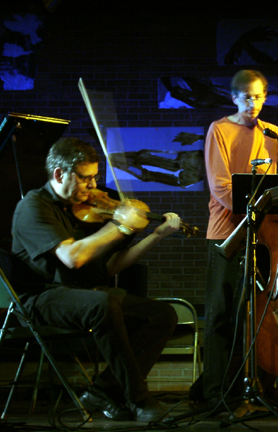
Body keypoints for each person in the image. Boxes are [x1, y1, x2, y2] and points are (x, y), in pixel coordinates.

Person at [10, 137, 181, 422]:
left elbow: (112, 266)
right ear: (59, 174)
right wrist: (120, 225)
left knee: (162, 315)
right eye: (85, 179)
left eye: (95, 177)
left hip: (83, 292)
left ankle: (104, 389)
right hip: (40, 298)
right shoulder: (33, 207)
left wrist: (155, 236)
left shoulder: (87, 208)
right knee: (102, 303)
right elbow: (71, 257)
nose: (93, 187)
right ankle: (137, 397)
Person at [197, 69, 278, 409]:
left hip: (266, 237)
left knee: (257, 317)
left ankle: (257, 387)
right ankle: (216, 396)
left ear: (266, 97)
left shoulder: (272, 132)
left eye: (258, 97)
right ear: (234, 97)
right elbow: (221, 189)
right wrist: (259, 202)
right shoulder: (219, 130)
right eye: (246, 97)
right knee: (223, 316)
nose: (253, 103)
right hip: (228, 233)